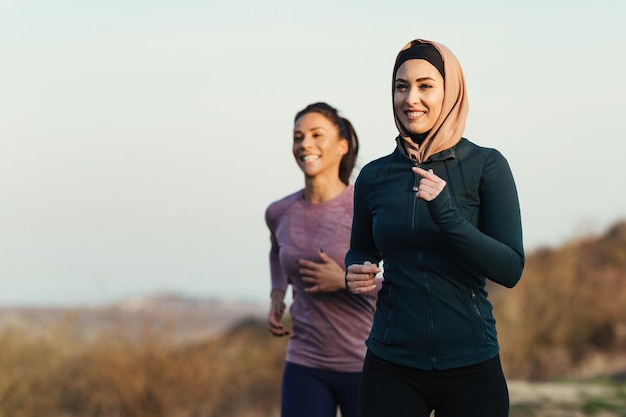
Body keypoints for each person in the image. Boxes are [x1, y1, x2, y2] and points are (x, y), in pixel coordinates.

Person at [344, 39, 525, 417]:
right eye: (401, 86)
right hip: (391, 363)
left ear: (450, 92)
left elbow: (509, 269)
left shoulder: (487, 166)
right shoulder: (374, 176)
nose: (411, 98)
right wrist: (356, 267)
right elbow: (361, 248)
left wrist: (448, 214)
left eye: (426, 85)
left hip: (472, 365)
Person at [265, 102, 381, 417]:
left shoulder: (365, 209)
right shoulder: (280, 212)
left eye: (317, 135)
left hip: (365, 363)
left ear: (342, 146)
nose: (305, 144)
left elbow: (403, 282)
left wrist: (343, 281)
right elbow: (277, 250)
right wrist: (278, 293)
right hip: (304, 363)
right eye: (298, 137)